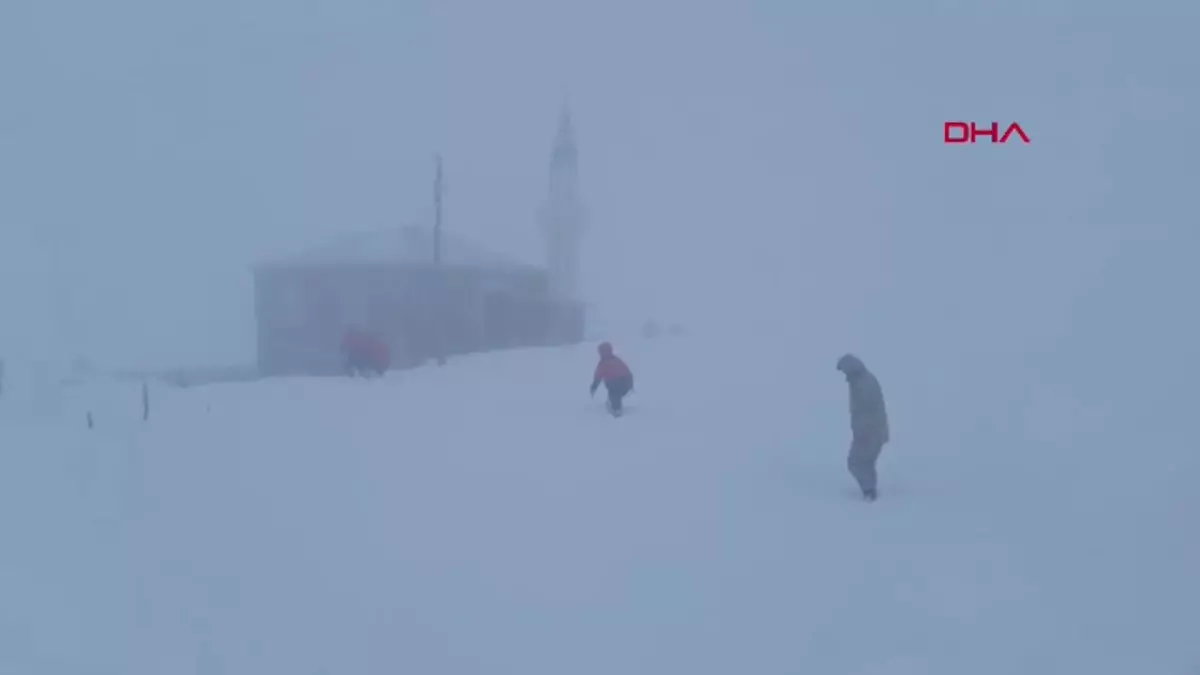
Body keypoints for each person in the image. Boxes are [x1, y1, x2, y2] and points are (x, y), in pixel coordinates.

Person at [837, 353, 889, 501]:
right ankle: (870, 490)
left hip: (870, 432)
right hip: (871, 431)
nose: (845, 376)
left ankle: (869, 492)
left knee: (856, 462)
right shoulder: (861, 381)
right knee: (864, 462)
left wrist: (863, 431)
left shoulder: (863, 384)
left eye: (845, 372)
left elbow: (869, 411)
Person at [590, 341, 634, 416]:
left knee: (614, 392)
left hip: (619, 384)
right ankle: (613, 402)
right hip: (626, 383)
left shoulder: (603, 363)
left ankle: (616, 409)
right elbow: (628, 372)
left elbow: (598, 376)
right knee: (614, 392)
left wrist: (594, 386)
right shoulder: (617, 360)